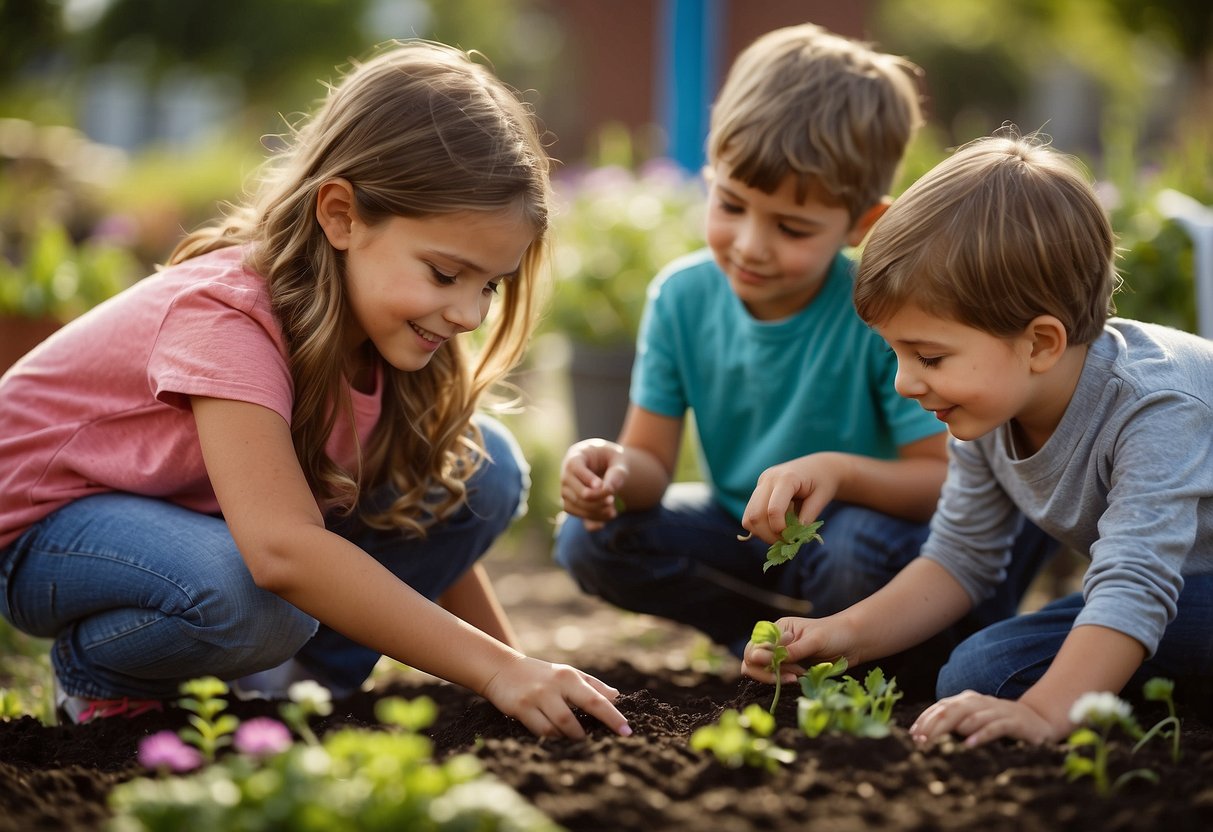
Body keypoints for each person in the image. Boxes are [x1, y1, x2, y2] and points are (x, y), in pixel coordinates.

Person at [0, 40, 631, 740]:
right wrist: (493, 670)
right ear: (341, 216)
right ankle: (106, 679)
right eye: (445, 274)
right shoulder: (228, 314)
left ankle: (289, 688)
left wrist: (516, 670)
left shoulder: (380, 331)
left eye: (489, 284)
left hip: (185, 519)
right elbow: (280, 549)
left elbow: (427, 522)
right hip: (47, 530)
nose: (469, 314)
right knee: (256, 596)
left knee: (482, 472)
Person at [743, 132, 1213, 748]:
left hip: (1174, 587)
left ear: (1041, 342)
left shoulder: (1156, 405)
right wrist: (839, 635)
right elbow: (959, 559)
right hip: (1184, 595)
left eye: (929, 356)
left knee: (998, 677)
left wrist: (1046, 713)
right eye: (896, 352)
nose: (904, 382)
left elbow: (1136, 579)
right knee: (980, 673)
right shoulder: (990, 406)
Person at [555, 24, 991, 661]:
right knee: (588, 540)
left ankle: (870, 640)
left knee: (851, 552)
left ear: (861, 223)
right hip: (742, 531)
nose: (751, 244)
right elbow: (650, 460)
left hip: (860, 542)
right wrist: (612, 472)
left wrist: (835, 474)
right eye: (731, 205)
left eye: (791, 227)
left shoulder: (876, 314)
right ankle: (758, 634)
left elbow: (937, 479)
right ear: (710, 178)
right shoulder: (682, 298)